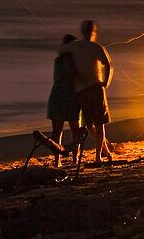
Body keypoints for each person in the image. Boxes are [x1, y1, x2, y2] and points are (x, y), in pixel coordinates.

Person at [60, 19, 113, 164]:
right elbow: (108, 65)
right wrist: (106, 82)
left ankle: (102, 153)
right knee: (99, 123)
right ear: (94, 32)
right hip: (96, 87)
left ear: (82, 31)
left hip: (82, 90)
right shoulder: (96, 47)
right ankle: (99, 155)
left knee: (90, 125)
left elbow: (61, 50)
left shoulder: (75, 46)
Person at [47, 34, 80, 166]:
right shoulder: (73, 61)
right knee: (74, 130)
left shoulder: (58, 60)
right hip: (69, 96)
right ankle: (74, 159)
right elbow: (76, 78)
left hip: (57, 96)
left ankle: (58, 160)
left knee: (57, 131)